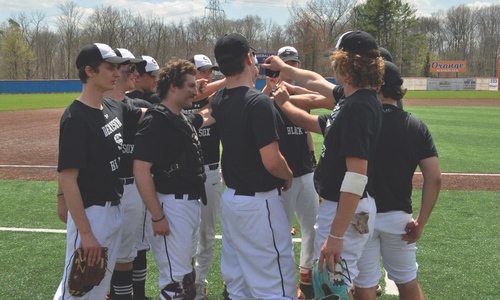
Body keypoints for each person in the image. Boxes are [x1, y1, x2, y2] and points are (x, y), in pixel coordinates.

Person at [263, 30, 384, 295]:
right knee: (334, 281)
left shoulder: (357, 107)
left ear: (347, 62)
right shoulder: (354, 97)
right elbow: (315, 80)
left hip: (344, 210)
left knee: (331, 286)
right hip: (347, 209)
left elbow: (356, 176)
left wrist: (337, 234)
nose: (332, 65)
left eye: (336, 59)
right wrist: (284, 70)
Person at [54, 43, 145, 300]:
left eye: (118, 67)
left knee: (98, 289)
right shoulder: (75, 117)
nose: (117, 73)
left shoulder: (113, 107)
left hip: (115, 210)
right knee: (77, 292)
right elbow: (68, 179)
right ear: (90, 71)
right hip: (92, 215)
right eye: (110, 67)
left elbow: (149, 114)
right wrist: (85, 232)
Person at [210, 32, 296, 299]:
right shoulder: (258, 102)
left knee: (239, 284)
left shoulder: (220, 98)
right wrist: (288, 174)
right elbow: (272, 161)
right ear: (248, 58)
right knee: (276, 286)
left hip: (232, 199)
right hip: (259, 204)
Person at [353, 62, 441, 300]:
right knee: (407, 281)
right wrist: (420, 222)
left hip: (362, 214)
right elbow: (434, 179)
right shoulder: (416, 126)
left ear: (376, 87)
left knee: (364, 284)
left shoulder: (361, 122)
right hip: (398, 217)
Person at [133, 58, 213, 300]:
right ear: (173, 87)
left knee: (185, 279)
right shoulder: (156, 120)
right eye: (189, 85)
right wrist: (157, 215)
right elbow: (140, 169)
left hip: (187, 206)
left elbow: (208, 114)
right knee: (175, 285)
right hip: (170, 207)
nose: (194, 90)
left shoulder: (178, 118)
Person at [264, 46, 319, 286]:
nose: (292, 66)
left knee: (313, 227)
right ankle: (285, 282)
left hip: (306, 172)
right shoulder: (269, 98)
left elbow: (306, 129)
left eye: (295, 62)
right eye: (287, 63)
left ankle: (306, 274)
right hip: (283, 176)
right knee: (281, 232)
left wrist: (313, 155)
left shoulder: (302, 95)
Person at [103, 48, 151, 300]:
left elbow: (158, 111)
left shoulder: (137, 105)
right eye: (129, 68)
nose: (135, 72)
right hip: (102, 192)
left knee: (125, 255)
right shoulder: (95, 109)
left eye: (136, 68)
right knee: (94, 256)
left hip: (132, 189)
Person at [185, 54, 223, 300]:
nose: (207, 76)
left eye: (210, 72)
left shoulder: (218, 99)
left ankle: (200, 283)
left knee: (207, 234)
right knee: (186, 233)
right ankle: (185, 281)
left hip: (211, 172)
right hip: (184, 176)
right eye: (203, 71)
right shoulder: (177, 99)